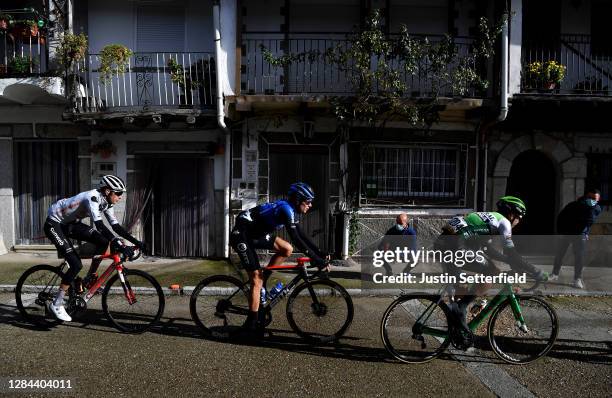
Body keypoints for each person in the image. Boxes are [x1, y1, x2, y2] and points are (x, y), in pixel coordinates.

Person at [435, 196, 547, 348]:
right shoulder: (504, 222)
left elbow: (488, 250)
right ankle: (462, 309)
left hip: (443, 244)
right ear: (513, 214)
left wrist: (511, 262)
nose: (518, 222)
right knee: (492, 270)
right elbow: (512, 253)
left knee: (461, 289)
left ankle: (457, 327)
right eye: (519, 218)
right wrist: (535, 271)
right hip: (456, 245)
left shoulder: (489, 218)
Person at [230, 182, 328, 337]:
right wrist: (315, 259)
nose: (310, 205)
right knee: (256, 279)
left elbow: (302, 235)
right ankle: (251, 326)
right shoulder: (285, 209)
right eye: (308, 201)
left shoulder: (292, 211)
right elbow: (296, 238)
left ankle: (264, 283)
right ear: (298, 200)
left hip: (256, 234)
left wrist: (320, 253)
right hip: (242, 235)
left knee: (286, 249)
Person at [44, 175, 145, 322]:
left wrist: (136, 242)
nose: (120, 197)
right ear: (107, 191)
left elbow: (116, 226)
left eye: (121, 194)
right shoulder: (92, 197)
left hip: (71, 223)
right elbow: (100, 226)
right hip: (55, 223)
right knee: (76, 264)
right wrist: (120, 245)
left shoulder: (106, 202)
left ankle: (88, 278)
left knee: (103, 242)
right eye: (118, 193)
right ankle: (57, 304)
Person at [550, 188, 602, 289]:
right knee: (560, 254)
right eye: (590, 198)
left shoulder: (597, 209)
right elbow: (561, 217)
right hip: (567, 233)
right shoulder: (573, 205)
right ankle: (554, 274)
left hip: (580, 235)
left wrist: (586, 232)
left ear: (598, 200)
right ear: (586, 196)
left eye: (595, 199)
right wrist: (560, 232)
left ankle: (577, 279)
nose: (592, 200)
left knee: (579, 257)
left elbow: (589, 221)